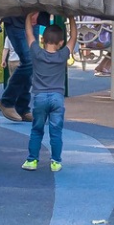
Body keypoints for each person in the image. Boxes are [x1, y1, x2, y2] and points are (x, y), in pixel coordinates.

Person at [22, 21, 71, 172]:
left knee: (37, 129)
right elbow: (73, 38)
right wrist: (72, 19)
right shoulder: (62, 55)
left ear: (42, 39)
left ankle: (32, 160)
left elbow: (29, 34)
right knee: (56, 131)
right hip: (57, 97)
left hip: (40, 97)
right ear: (61, 42)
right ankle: (56, 161)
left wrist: (29, 16)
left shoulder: (36, 53)